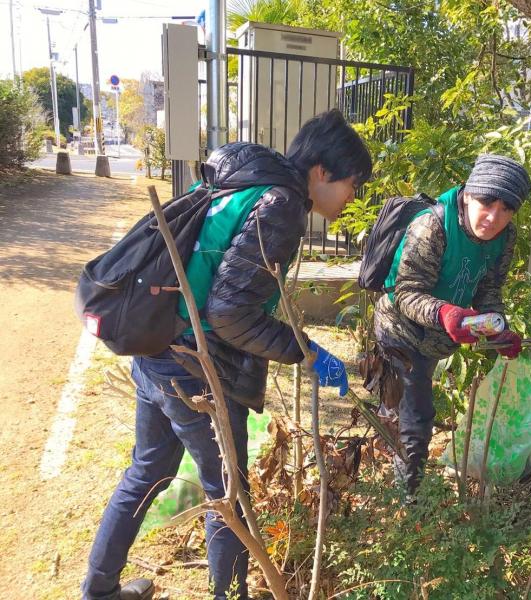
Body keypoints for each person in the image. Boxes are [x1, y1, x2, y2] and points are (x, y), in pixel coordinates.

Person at [82, 109, 371, 600]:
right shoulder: (281, 205)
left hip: (158, 346)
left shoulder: (246, 178)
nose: (352, 198)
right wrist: (306, 351)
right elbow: (231, 315)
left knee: (148, 470)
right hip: (195, 367)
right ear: (322, 171)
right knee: (228, 496)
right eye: (352, 185)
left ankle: (99, 590)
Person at [372, 154, 531, 494]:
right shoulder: (433, 226)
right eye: (487, 203)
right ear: (469, 194)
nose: (494, 217)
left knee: (403, 413)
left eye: (506, 209)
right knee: (414, 421)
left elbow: (489, 290)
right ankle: (408, 502)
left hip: (437, 337)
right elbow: (406, 293)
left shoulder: (504, 237)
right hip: (401, 331)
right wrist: (446, 313)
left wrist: (497, 329)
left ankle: (391, 474)